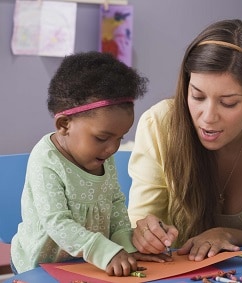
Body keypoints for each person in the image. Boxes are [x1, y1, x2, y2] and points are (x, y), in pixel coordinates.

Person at [127, 19, 242, 261]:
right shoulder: (159, 124)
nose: (207, 118)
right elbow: (141, 219)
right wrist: (145, 232)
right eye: (197, 96)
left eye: (228, 102)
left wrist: (227, 234)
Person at [10, 51, 169, 276]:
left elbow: (115, 205)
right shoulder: (46, 160)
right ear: (64, 124)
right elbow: (57, 223)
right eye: (102, 138)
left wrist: (126, 246)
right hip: (38, 268)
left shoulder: (103, 155)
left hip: (87, 266)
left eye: (120, 138)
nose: (112, 148)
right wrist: (105, 251)